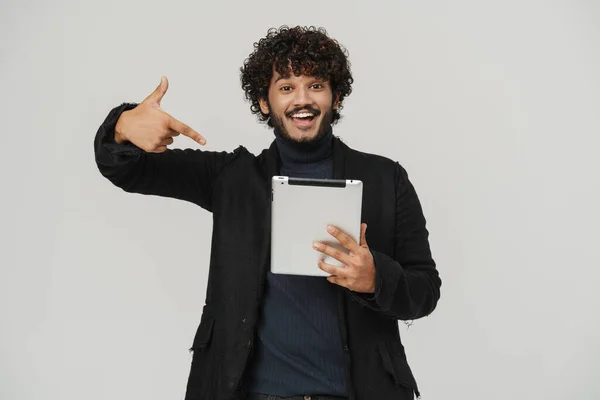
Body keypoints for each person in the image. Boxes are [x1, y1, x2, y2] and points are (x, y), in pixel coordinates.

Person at [94, 25, 441, 400]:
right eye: (286, 87)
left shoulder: (385, 179)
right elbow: (126, 169)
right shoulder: (231, 179)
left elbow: (425, 290)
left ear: (336, 97)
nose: (302, 99)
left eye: (316, 85)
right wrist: (122, 127)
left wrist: (376, 279)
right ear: (264, 102)